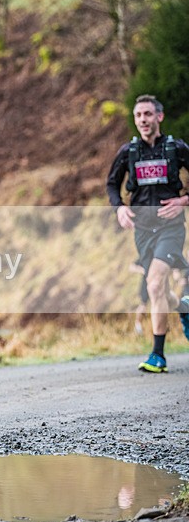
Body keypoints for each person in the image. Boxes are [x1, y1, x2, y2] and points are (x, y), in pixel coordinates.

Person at [106, 94, 189, 373]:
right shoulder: (128, 152)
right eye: (139, 115)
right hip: (142, 230)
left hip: (171, 228)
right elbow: (111, 185)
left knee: (153, 285)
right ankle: (183, 306)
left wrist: (182, 201)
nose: (143, 120)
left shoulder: (175, 148)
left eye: (148, 114)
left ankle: (157, 355)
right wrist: (118, 208)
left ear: (159, 117)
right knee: (161, 290)